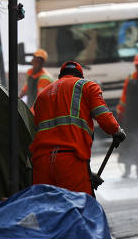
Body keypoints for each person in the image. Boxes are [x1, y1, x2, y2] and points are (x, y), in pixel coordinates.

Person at [30, 61, 126, 196]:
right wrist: (117, 133)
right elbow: (107, 121)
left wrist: (87, 173)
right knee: (81, 209)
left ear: (60, 76)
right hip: (71, 161)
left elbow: (34, 127)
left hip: (41, 163)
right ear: (80, 76)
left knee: (47, 213)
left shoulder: (42, 95)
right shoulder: (87, 86)